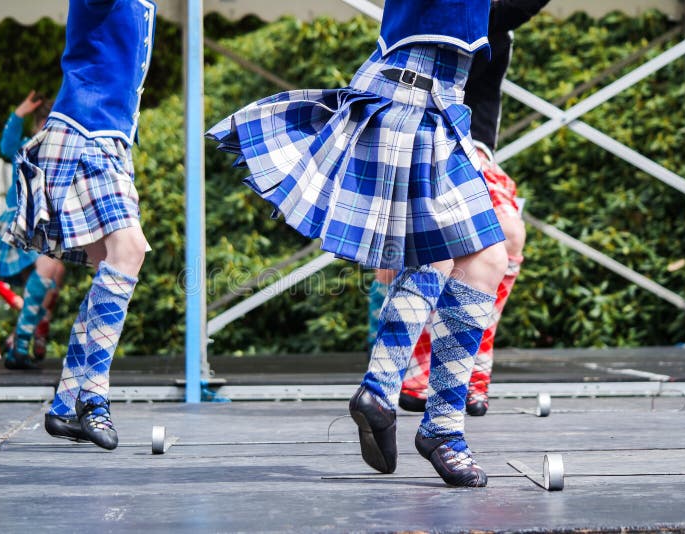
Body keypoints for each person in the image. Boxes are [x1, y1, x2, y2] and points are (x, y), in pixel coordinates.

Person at [208, 0, 507, 486]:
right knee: (446, 251)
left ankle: (400, 399)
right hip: (415, 95)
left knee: (480, 257)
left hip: (433, 100)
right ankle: (430, 420)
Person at [379, 0, 551, 416]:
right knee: (433, 252)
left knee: (508, 236)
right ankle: (419, 372)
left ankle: (467, 367)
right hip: (421, 140)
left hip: (471, 148)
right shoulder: (439, 11)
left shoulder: (493, 16)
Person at [5, 0, 157, 450]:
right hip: (85, 133)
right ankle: (94, 398)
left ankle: (65, 402)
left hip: (107, 140)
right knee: (128, 252)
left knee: (113, 265)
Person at [0, 91, 66, 369]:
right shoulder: (25, 147)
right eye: (46, 126)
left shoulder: (60, 155)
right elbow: (6, 145)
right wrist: (19, 113)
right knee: (49, 268)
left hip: (44, 224)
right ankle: (22, 341)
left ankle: (29, 334)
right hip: (20, 223)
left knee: (55, 273)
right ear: (38, 126)